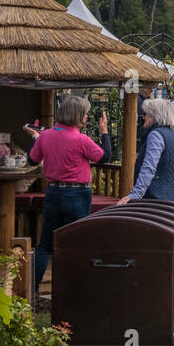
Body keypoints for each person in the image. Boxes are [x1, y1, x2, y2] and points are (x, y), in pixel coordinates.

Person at [25, 94, 113, 290]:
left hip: (53, 193)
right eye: (86, 114)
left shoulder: (46, 135)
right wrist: (105, 132)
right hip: (77, 195)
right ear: (78, 116)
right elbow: (104, 157)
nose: (87, 117)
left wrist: (34, 138)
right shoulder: (82, 140)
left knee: (45, 245)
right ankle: (73, 289)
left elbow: (31, 160)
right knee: (75, 242)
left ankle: (33, 290)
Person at [120, 97, 174, 204]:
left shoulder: (156, 135)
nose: (144, 117)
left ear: (155, 116)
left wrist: (136, 194)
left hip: (155, 200)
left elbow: (149, 168)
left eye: (146, 114)